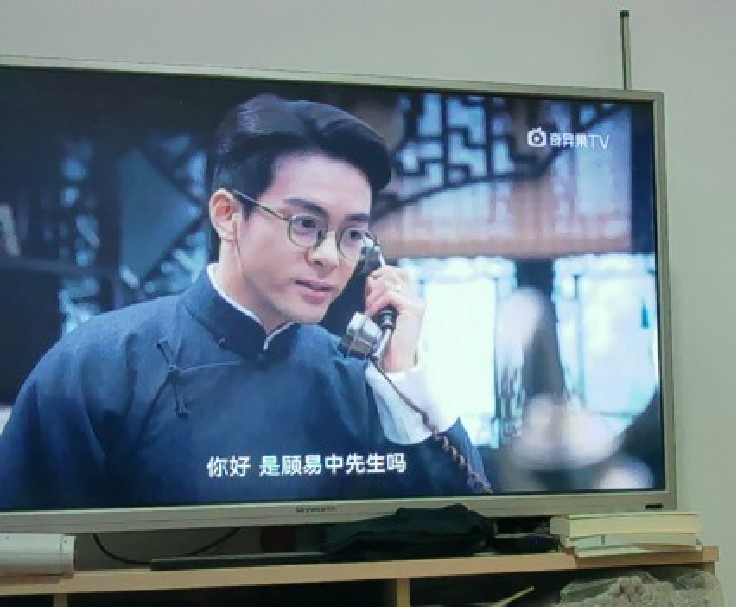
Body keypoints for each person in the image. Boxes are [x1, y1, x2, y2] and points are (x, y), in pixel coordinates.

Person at [0, 93, 488, 511]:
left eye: (353, 234)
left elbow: (466, 537)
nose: (329, 256)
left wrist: (405, 375)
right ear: (227, 215)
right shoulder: (97, 364)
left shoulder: (359, 380)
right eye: (306, 224)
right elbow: (26, 550)